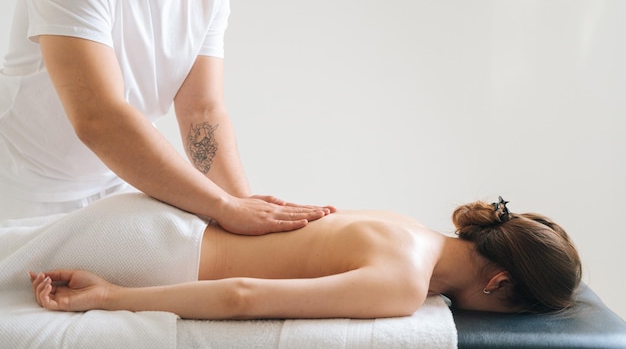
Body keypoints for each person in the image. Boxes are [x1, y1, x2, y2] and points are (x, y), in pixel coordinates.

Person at [0, 0, 333, 231]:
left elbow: (201, 111)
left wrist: (244, 206)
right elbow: (98, 118)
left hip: (116, 184)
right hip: (22, 188)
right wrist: (225, 206)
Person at [29, 196, 582, 319]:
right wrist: (110, 297)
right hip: (155, 254)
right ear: (499, 282)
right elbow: (240, 295)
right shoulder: (402, 284)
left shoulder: (409, 230)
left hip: (147, 221)